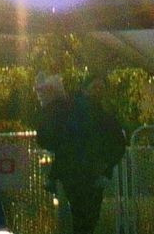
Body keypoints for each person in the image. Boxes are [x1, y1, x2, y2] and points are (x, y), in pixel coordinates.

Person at [34, 71, 127, 234]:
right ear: (85, 88)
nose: (98, 92)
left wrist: (106, 166)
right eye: (95, 87)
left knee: (84, 218)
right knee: (83, 218)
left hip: (84, 173)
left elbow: (118, 143)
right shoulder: (76, 110)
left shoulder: (97, 114)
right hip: (76, 173)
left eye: (100, 88)